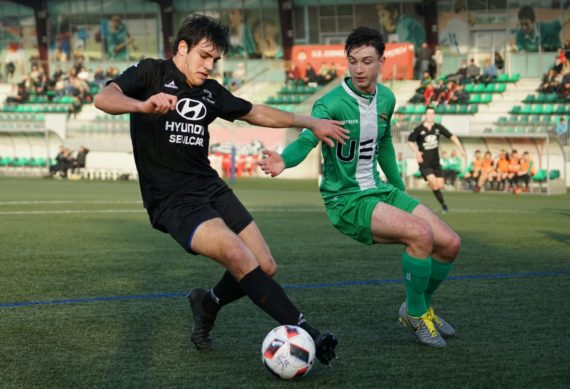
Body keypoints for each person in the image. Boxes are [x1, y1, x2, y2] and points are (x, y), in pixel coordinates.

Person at [93, 14, 344, 364]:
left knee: (264, 264)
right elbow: (103, 98)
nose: (210, 65)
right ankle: (310, 335)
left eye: (215, 59)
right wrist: (142, 105)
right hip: (171, 198)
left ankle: (206, 302)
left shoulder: (210, 92)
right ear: (183, 48)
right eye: (204, 56)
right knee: (239, 256)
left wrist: (311, 121)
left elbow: (255, 112)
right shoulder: (151, 73)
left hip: (210, 187)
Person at [259, 26, 462, 348]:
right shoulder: (331, 104)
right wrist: (284, 160)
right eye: (353, 61)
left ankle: (416, 306)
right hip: (347, 199)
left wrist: (400, 191)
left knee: (450, 243)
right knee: (420, 235)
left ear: (382, 61)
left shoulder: (387, 98)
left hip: (380, 190)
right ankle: (417, 313)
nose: (358, 69)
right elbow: (308, 138)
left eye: (367, 61)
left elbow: (383, 146)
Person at [408, 106, 466, 212]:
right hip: (424, 163)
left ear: (434, 115)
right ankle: (443, 205)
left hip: (436, 163)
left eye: (432, 113)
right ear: (425, 115)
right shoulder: (419, 129)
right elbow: (410, 141)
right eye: (428, 113)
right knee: (434, 185)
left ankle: (440, 199)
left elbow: (452, 136)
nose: (430, 115)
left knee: (440, 186)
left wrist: (461, 148)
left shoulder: (438, 128)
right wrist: (417, 152)